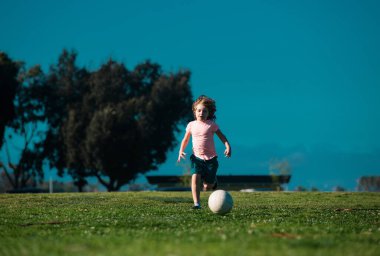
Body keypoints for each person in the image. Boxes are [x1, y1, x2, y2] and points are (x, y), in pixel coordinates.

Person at [177, 95, 231, 209]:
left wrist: (227, 146)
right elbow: (185, 139)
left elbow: (222, 137)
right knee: (195, 177)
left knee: (208, 186)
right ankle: (196, 204)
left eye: (204, 111)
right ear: (195, 111)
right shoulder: (191, 125)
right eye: (199, 110)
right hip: (196, 158)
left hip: (211, 159)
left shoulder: (211, 125)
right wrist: (181, 150)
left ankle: (213, 181)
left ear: (209, 113)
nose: (201, 113)